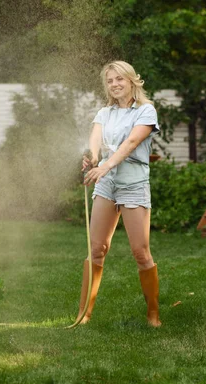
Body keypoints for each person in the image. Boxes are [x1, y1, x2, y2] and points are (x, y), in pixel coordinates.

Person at [77, 60, 161, 327]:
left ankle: (153, 313)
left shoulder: (146, 111)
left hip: (133, 184)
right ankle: (84, 314)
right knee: (97, 248)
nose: (114, 84)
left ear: (132, 80)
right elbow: (95, 140)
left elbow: (132, 142)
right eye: (110, 81)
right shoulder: (105, 113)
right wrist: (92, 157)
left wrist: (105, 165)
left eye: (119, 79)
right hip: (107, 184)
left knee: (140, 251)